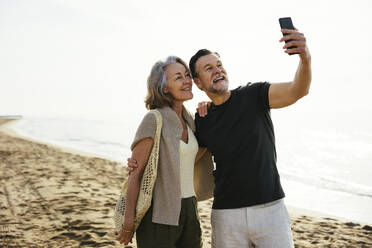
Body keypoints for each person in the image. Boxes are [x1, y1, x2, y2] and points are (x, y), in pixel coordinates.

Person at [188, 27, 311, 247]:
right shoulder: (203, 119)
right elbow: (188, 157)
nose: (217, 71)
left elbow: (297, 90)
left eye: (219, 65)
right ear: (198, 82)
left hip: (270, 210)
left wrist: (305, 57)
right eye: (208, 68)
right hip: (226, 215)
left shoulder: (254, 95)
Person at [117, 56, 215, 247]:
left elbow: (189, 159)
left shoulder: (189, 120)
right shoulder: (154, 119)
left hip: (189, 208)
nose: (187, 81)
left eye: (187, 75)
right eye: (178, 77)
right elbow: (135, 174)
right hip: (159, 214)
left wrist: (209, 116)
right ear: (164, 87)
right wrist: (128, 222)